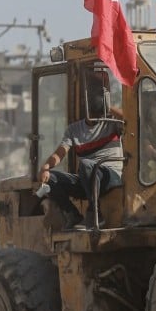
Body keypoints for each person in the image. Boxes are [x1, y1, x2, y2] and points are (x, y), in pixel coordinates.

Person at [35, 85, 124, 228]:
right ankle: (72, 215)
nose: (97, 115)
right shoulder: (74, 130)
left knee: (86, 165)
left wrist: (108, 107)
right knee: (51, 178)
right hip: (87, 179)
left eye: (99, 110)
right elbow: (60, 153)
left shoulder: (112, 124)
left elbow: (131, 118)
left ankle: (94, 214)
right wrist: (45, 167)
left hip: (110, 176)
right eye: (93, 109)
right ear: (86, 108)